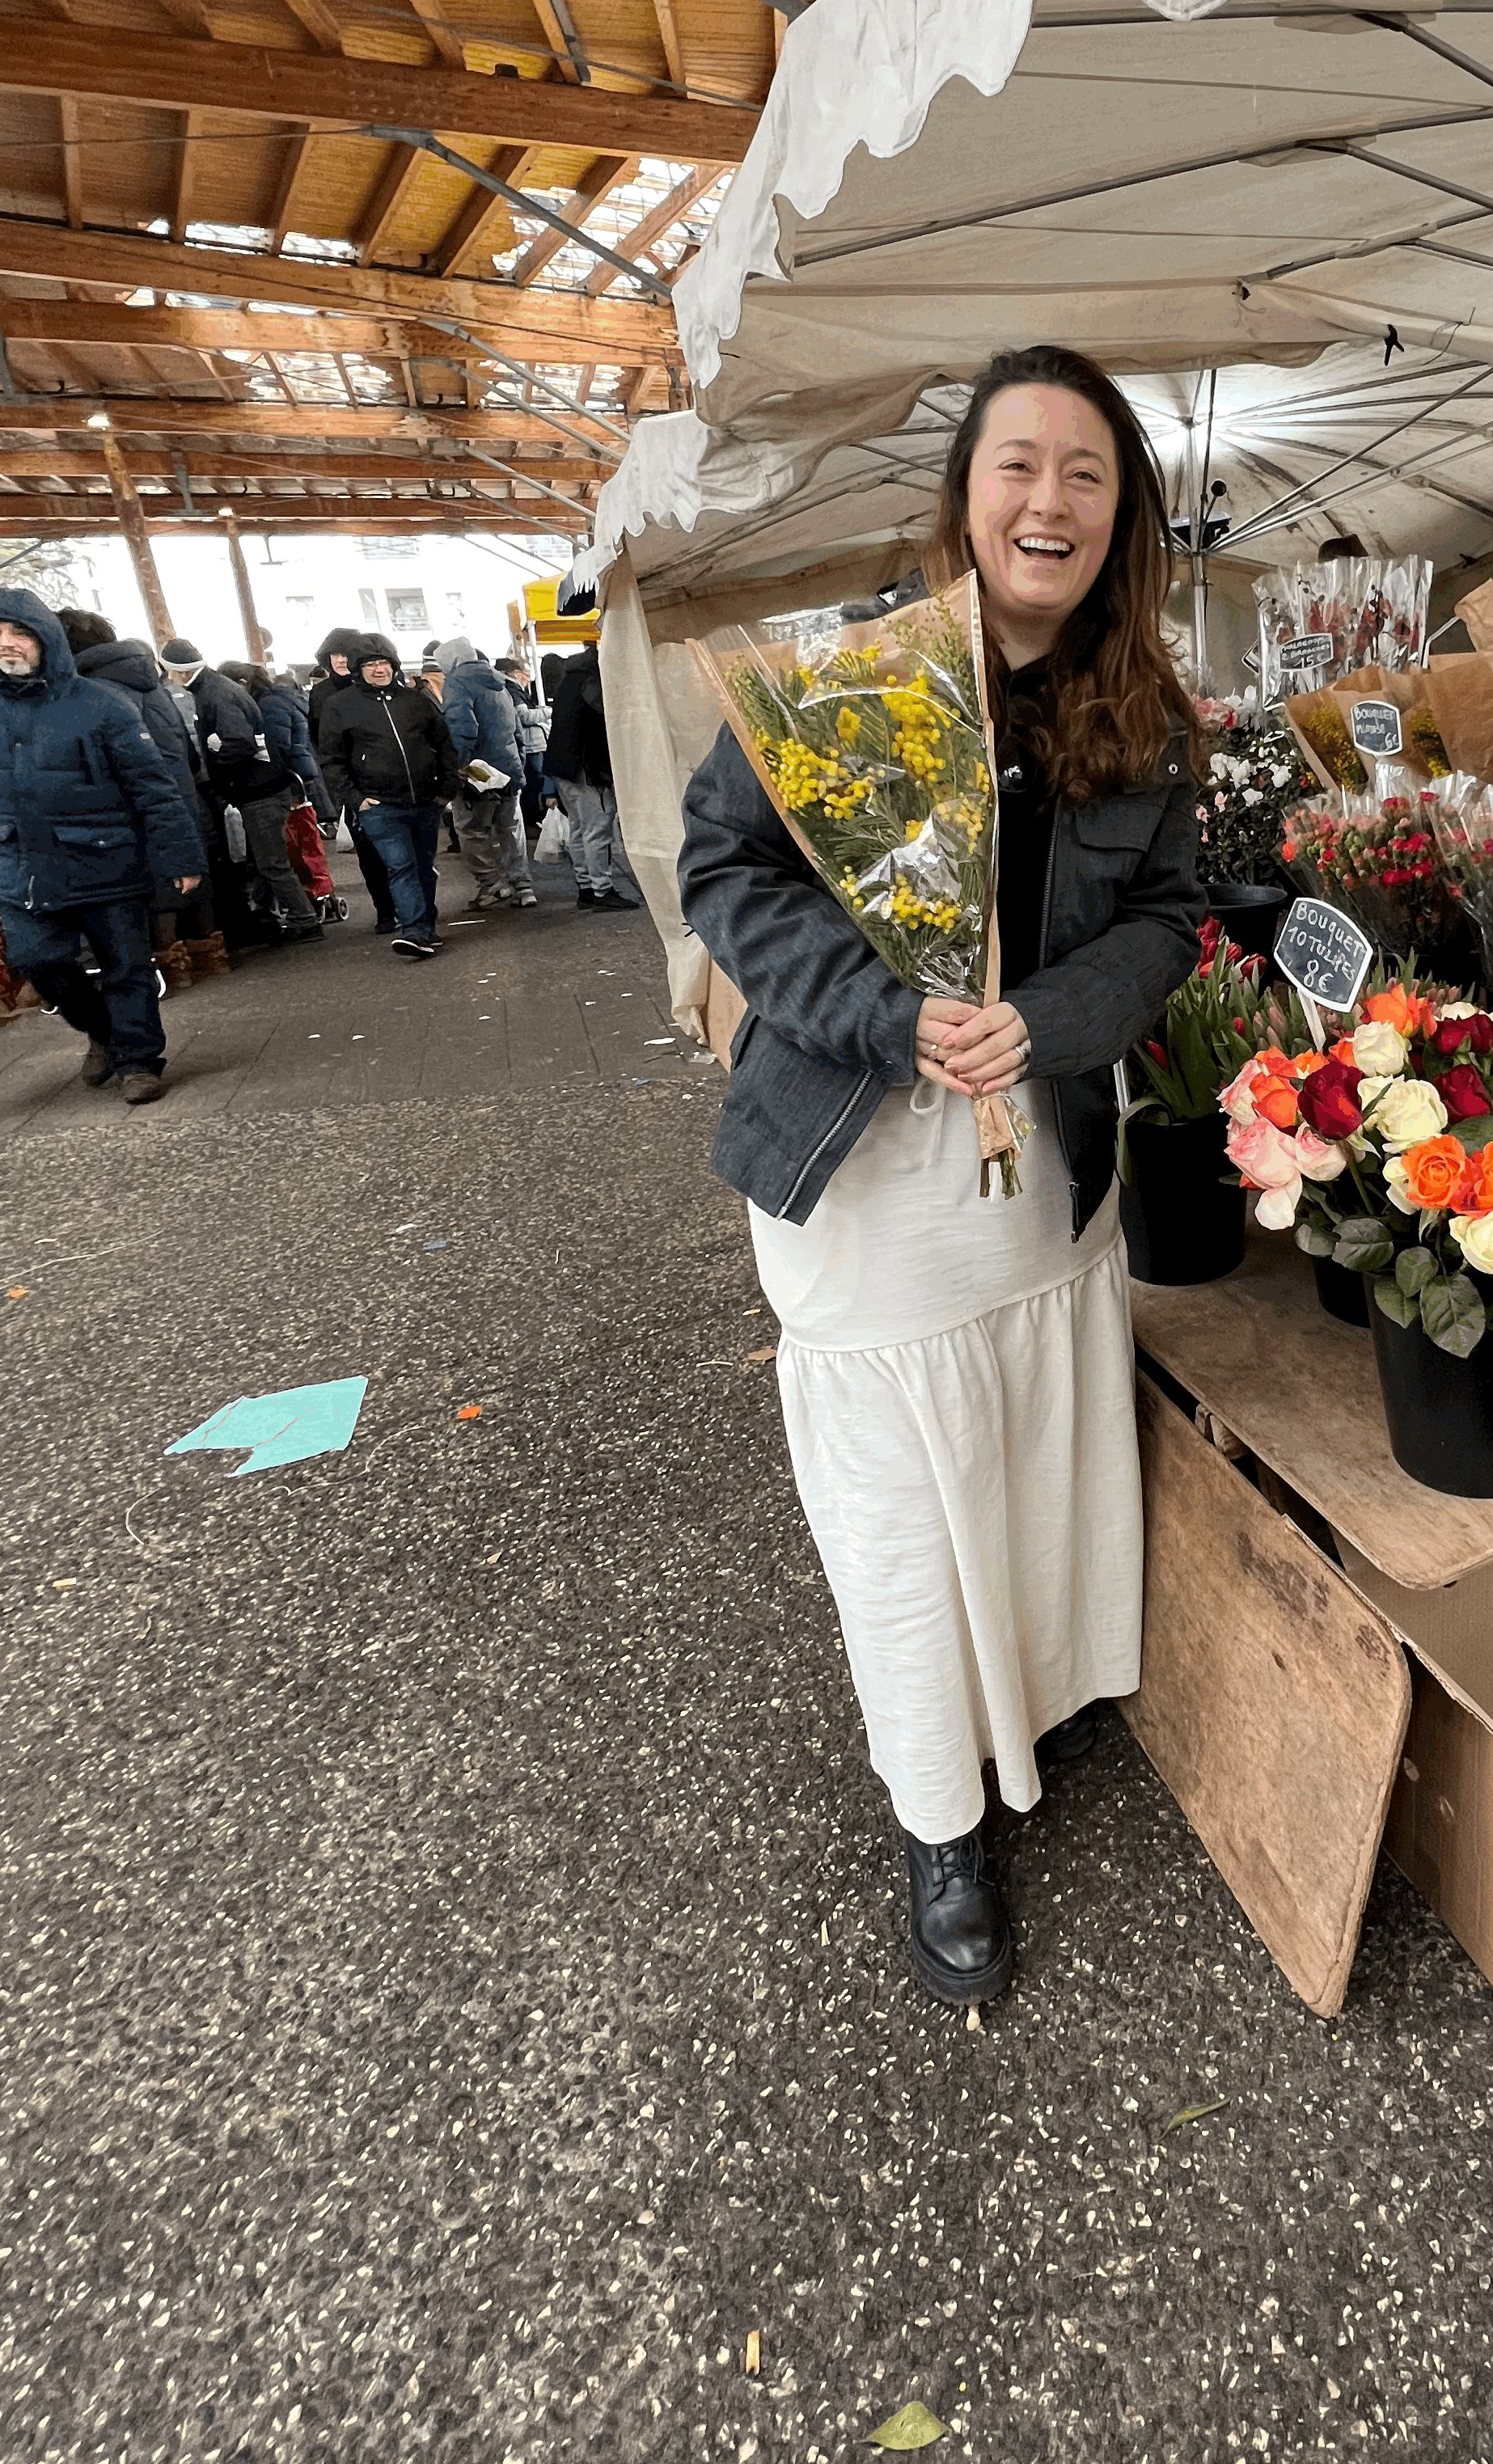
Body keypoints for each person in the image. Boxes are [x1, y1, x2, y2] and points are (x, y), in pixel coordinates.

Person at [676, 347, 1203, 2010]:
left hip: (1041, 1169)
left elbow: (1170, 922)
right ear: (966, 493)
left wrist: (1041, 1026)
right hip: (862, 1176)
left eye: (1088, 477)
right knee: (905, 1501)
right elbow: (725, 872)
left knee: (1036, 1440)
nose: (1050, 501)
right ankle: (938, 1814)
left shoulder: (1148, 714)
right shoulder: (843, 683)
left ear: (1125, 520)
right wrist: (891, 1017)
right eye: (1020, 467)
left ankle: (1032, 1699)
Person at [0, 587, 205, 1102]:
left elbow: (152, 785)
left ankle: (138, 1062)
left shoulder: (102, 703)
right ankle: (104, 1032)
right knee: (40, 962)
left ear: (47, 640)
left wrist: (180, 855)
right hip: (19, 865)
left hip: (108, 859)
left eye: (18, 632)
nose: (5, 643)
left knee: (126, 966)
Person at [57, 608, 217, 989]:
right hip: (180, 795)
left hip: (134, 807)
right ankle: (201, 959)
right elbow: (188, 754)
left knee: (150, 895)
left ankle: (159, 974)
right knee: (184, 884)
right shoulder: (154, 686)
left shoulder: (94, 693)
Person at [159, 634, 314, 947]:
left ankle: (304, 921)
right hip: (263, 786)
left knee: (271, 862)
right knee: (266, 860)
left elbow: (240, 742)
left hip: (259, 790)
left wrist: (216, 765)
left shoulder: (213, 693)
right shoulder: (218, 687)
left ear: (180, 671)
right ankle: (286, 917)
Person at [314, 633, 459, 956]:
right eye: (370, 664)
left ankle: (426, 926)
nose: (379, 669)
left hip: (425, 801)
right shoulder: (339, 706)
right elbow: (331, 759)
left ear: (393, 666)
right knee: (401, 865)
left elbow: (445, 744)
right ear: (358, 669)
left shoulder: (416, 700)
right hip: (378, 804)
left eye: (383, 663)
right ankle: (415, 931)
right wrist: (355, 799)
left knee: (423, 866)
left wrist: (446, 790)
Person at [222, 660, 336, 932]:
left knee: (276, 857)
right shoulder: (277, 701)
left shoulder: (269, 705)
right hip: (291, 783)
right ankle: (270, 909)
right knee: (278, 854)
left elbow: (276, 750)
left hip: (280, 786)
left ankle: (302, 917)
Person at [434, 636, 538, 907]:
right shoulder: (500, 683)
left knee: (471, 830)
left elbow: (462, 729)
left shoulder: (457, 682)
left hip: (477, 771)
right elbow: (517, 731)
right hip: (508, 768)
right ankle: (523, 886)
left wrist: (459, 768)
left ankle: (491, 885)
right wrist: (518, 768)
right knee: (511, 828)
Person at [311, 625, 400, 934]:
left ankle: (409, 905)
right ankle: (386, 910)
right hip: (351, 784)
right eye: (334, 654)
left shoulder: (384, 686)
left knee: (400, 850)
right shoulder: (321, 695)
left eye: (346, 654)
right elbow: (319, 744)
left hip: (389, 778)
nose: (339, 660)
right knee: (369, 854)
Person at [543, 645, 642, 911]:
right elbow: (610, 715)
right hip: (585, 767)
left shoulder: (569, 678)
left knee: (578, 827)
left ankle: (586, 888)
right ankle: (603, 891)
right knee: (598, 828)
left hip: (561, 766)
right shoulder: (592, 680)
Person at [501, 653, 551, 837]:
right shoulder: (513, 691)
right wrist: (547, 712)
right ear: (515, 673)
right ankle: (531, 822)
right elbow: (525, 717)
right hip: (530, 745)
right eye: (526, 673)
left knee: (534, 783)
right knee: (533, 784)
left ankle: (532, 821)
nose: (529, 678)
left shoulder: (513, 690)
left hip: (531, 744)